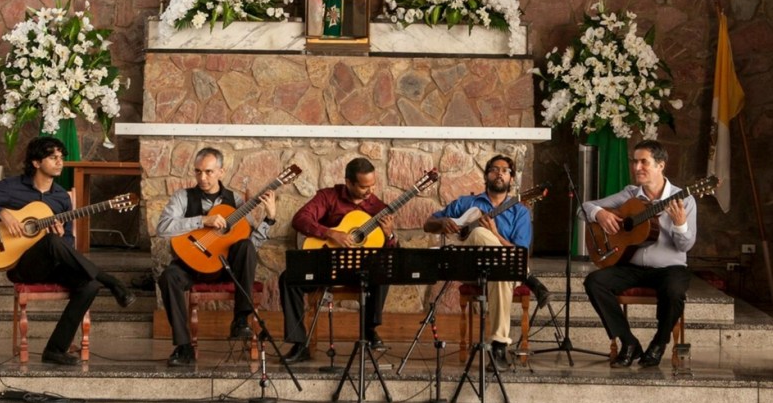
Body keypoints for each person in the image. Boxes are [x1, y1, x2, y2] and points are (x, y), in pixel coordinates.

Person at [0, 136, 136, 366]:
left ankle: (55, 350)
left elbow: (68, 244)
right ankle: (111, 281)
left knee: (90, 285)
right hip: (23, 266)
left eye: (61, 157)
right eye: (53, 158)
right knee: (52, 241)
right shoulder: (12, 187)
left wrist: (62, 236)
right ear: (36, 162)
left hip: (52, 264)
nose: (60, 162)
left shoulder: (61, 197)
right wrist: (2, 213)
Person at [423, 154, 550, 369]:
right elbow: (428, 224)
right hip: (469, 268)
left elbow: (519, 254)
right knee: (479, 233)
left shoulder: (519, 211)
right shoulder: (467, 203)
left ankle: (498, 346)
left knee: (500, 274)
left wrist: (495, 233)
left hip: (504, 270)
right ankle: (528, 278)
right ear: (486, 175)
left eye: (505, 171)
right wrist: (443, 222)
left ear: (511, 179)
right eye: (494, 169)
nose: (499, 173)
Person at [581, 139, 697, 368]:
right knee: (594, 281)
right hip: (630, 267)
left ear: (660, 165)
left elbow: (685, 247)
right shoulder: (629, 194)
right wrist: (600, 214)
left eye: (644, 162)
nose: (637, 167)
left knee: (674, 290)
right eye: (634, 162)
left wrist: (680, 224)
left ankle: (658, 344)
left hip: (668, 269)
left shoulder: (684, 199)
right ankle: (629, 342)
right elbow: (583, 208)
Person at [156, 147, 275, 367]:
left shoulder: (236, 201)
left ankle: (240, 320)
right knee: (168, 277)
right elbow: (163, 228)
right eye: (198, 171)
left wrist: (269, 219)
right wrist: (202, 221)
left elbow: (251, 246)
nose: (202, 177)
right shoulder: (182, 197)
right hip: (190, 266)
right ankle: (184, 347)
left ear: (221, 172)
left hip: (225, 268)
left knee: (246, 246)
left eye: (209, 172)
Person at [279, 157, 397, 364]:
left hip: (357, 270)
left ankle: (369, 331)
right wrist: (331, 233)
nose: (370, 191)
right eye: (363, 187)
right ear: (348, 182)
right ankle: (299, 343)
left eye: (372, 185)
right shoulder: (328, 196)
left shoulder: (378, 208)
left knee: (383, 270)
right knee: (288, 278)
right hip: (325, 264)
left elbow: (389, 253)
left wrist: (389, 235)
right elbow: (300, 219)